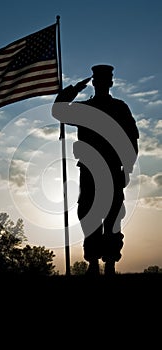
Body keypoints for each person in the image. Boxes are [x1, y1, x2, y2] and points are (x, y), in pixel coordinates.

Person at [52, 64, 139, 276]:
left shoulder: (119, 108)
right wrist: (74, 89)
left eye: (104, 81)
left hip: (111, 168)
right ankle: (93, 261)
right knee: (90, 215)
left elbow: (131, 140)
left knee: (112, 216)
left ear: (109, 83)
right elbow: (58, 111)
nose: (101, 84)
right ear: (95, 82)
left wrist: (127, 168)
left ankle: (109, 262)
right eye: (98, 81)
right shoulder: (86, 109)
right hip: (90, 169)